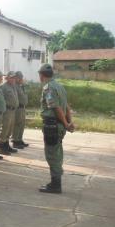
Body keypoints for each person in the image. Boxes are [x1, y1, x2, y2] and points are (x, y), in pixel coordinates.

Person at [39, 63, 73, 194]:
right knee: (57, 152)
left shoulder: (48, 88)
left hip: (52, 126)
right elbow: (67, 107)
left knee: (52, 154)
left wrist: (66, 123)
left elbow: (56, 108)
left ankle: (55, 184)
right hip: (58, 125)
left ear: (41, 75)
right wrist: (69, 122)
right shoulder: (60, 86)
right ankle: (55, 181)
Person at [0, 71, 20, 155]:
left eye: (14, 77)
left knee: (10, 129)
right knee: (5, 128)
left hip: (13, 111)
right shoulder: (3, 87)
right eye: (11, 77)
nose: (13, 79)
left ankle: (6, 145)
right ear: (7, 78)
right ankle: (2, 147)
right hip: (6, 111)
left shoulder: (13, 86)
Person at [12, 71, 29, 149]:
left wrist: (23, 85)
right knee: (17, 124)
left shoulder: (20, 86)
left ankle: (19, 139)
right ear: (16, 78)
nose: (22, 79)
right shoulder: (14, 86)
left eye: (21, 77)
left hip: (22, 107)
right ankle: (15, 141)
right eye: (20, 77)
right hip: (18, 108)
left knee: (22, 124)